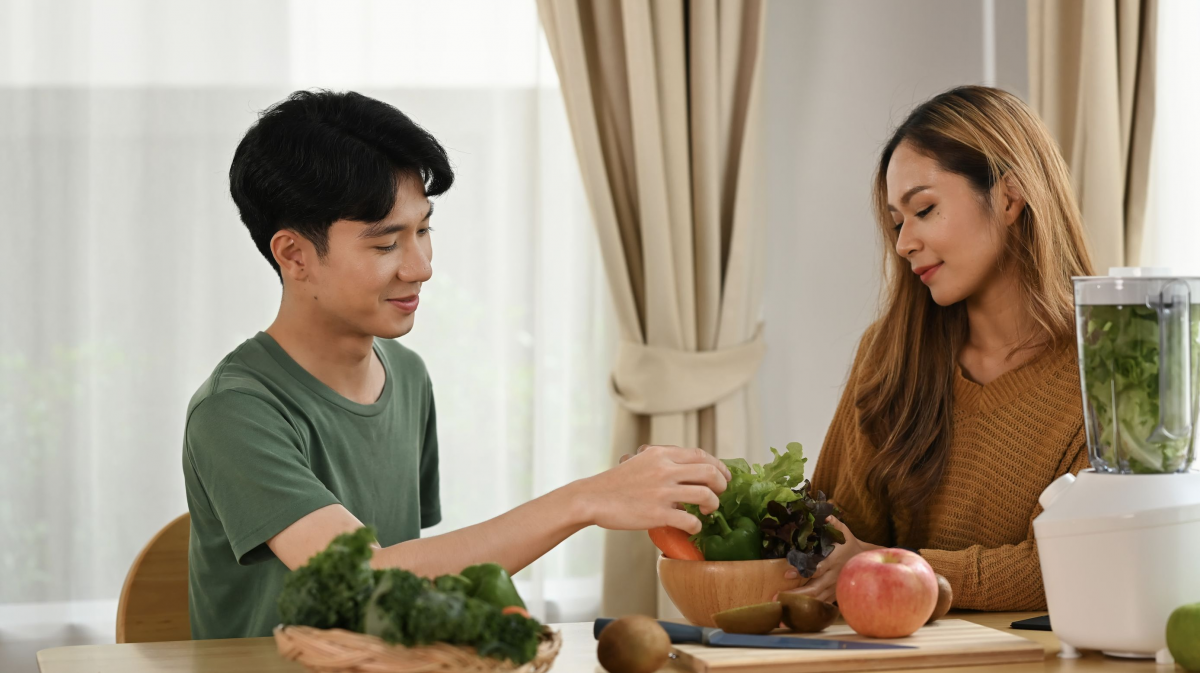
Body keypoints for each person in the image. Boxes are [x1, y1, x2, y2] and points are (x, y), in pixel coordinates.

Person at [182, 90, 731, 639]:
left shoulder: (408, 376)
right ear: (294, 255)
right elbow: (362, 581)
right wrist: (587, 498)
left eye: (422, 230)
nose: (420, 267)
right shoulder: (236, 410)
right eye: (385, 245)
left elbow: (418, 581)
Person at [787, 86, 1095, 611]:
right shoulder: (888, 354)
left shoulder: (1110, 365)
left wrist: (901, 568)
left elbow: (1082, 561)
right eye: (896, 222)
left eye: (924, 209)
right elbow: (833, 538)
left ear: (1009, 197)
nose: (903, 242)